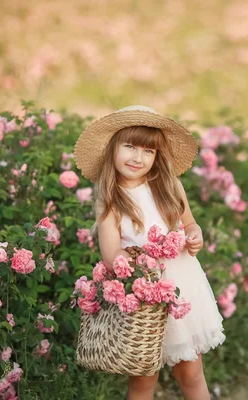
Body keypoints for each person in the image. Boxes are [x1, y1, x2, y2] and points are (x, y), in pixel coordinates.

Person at [73, 105, 225, 400]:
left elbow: (190, 224)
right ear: (112, 149)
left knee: (191, 372)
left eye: (148, 151)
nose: (138, 157)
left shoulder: (168, 186)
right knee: (144, 378)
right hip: (145, 297)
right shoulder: (111, 199)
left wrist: (195, 237)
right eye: (129, 146)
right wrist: (140, 259)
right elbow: (111, 254)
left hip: (181, 288)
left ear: (157, 157)